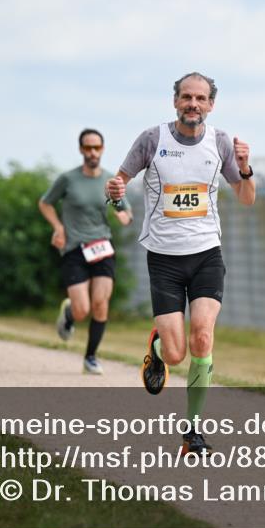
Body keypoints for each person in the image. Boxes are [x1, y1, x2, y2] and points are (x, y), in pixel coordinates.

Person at [106, 71, 255, 455]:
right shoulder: (152, 139)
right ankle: (158, 349)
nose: (193, 104)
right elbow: (119, 184)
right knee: (176, 354)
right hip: (164, 260)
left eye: (200, 98)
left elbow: (246, 196)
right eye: (187, 97)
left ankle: (192, 433)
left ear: (211, 105)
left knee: (202, 337)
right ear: (175, 101)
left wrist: (245, 167)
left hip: (207, 254)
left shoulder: (220, 142)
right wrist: (116, 192)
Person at [39, 128, 132, 375]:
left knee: (100, 303)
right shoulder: (68, 179)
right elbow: (45, 203)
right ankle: (70, 313)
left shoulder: (110, 181)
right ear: (81, 149)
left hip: (102, 247)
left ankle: (90, 357)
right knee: (83, 310)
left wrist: (123, 215)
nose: (92, 152)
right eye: (88, 147)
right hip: (75, 249)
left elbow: (125, 210)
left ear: (102, 149)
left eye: (96, 147)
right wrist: (58, 227)